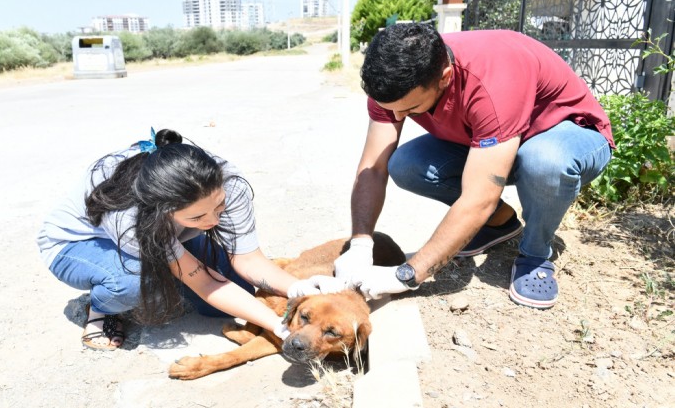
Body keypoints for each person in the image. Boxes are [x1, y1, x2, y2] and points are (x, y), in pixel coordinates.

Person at [334, 24, 614, 309]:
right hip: (493, 142)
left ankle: (535, 254)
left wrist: (407, 274)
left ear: (444, 78)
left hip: (565, 135)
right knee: (406, 164)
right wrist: (360, 243)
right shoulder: (397, 78)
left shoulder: (492, 80)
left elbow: (478, 199)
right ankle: (499, 224)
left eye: (408, 109)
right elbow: (373, 167)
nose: (396, 116)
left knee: (543, 162)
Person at [37, 128, 345, 350]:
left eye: (219, 206)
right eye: (198, 218)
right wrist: (276, 325)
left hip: (170, 235)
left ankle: (171, 266)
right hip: (76, 245)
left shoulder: (226, 181)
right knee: (132, 283)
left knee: (226, 303)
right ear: (162, 212)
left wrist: (297, 288)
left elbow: (249, 258)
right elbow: (206, 284)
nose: (213, 222)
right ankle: (101, 308)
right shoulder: (134, 216)